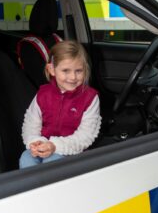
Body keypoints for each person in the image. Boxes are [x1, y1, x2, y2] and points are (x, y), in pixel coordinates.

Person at [19, 40, 101, 168]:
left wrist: (54, 146)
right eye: (66, 71)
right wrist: (35, 142)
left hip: (72, 150)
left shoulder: (90, 98)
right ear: (52, 69)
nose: (73, 77)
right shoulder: (43, 94)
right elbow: (31, 123)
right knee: (26, 158)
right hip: (43, 145)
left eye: (79, 71)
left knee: (52, 162)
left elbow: (85, 135)